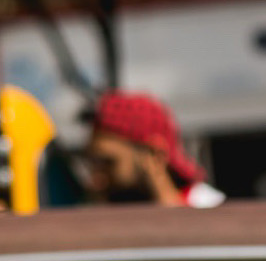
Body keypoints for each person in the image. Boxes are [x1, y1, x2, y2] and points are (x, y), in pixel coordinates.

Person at [79, 89, 224, 207]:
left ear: (155, 155)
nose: (95, 180)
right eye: (92, 163)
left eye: (108, 162)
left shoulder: (210, 208)